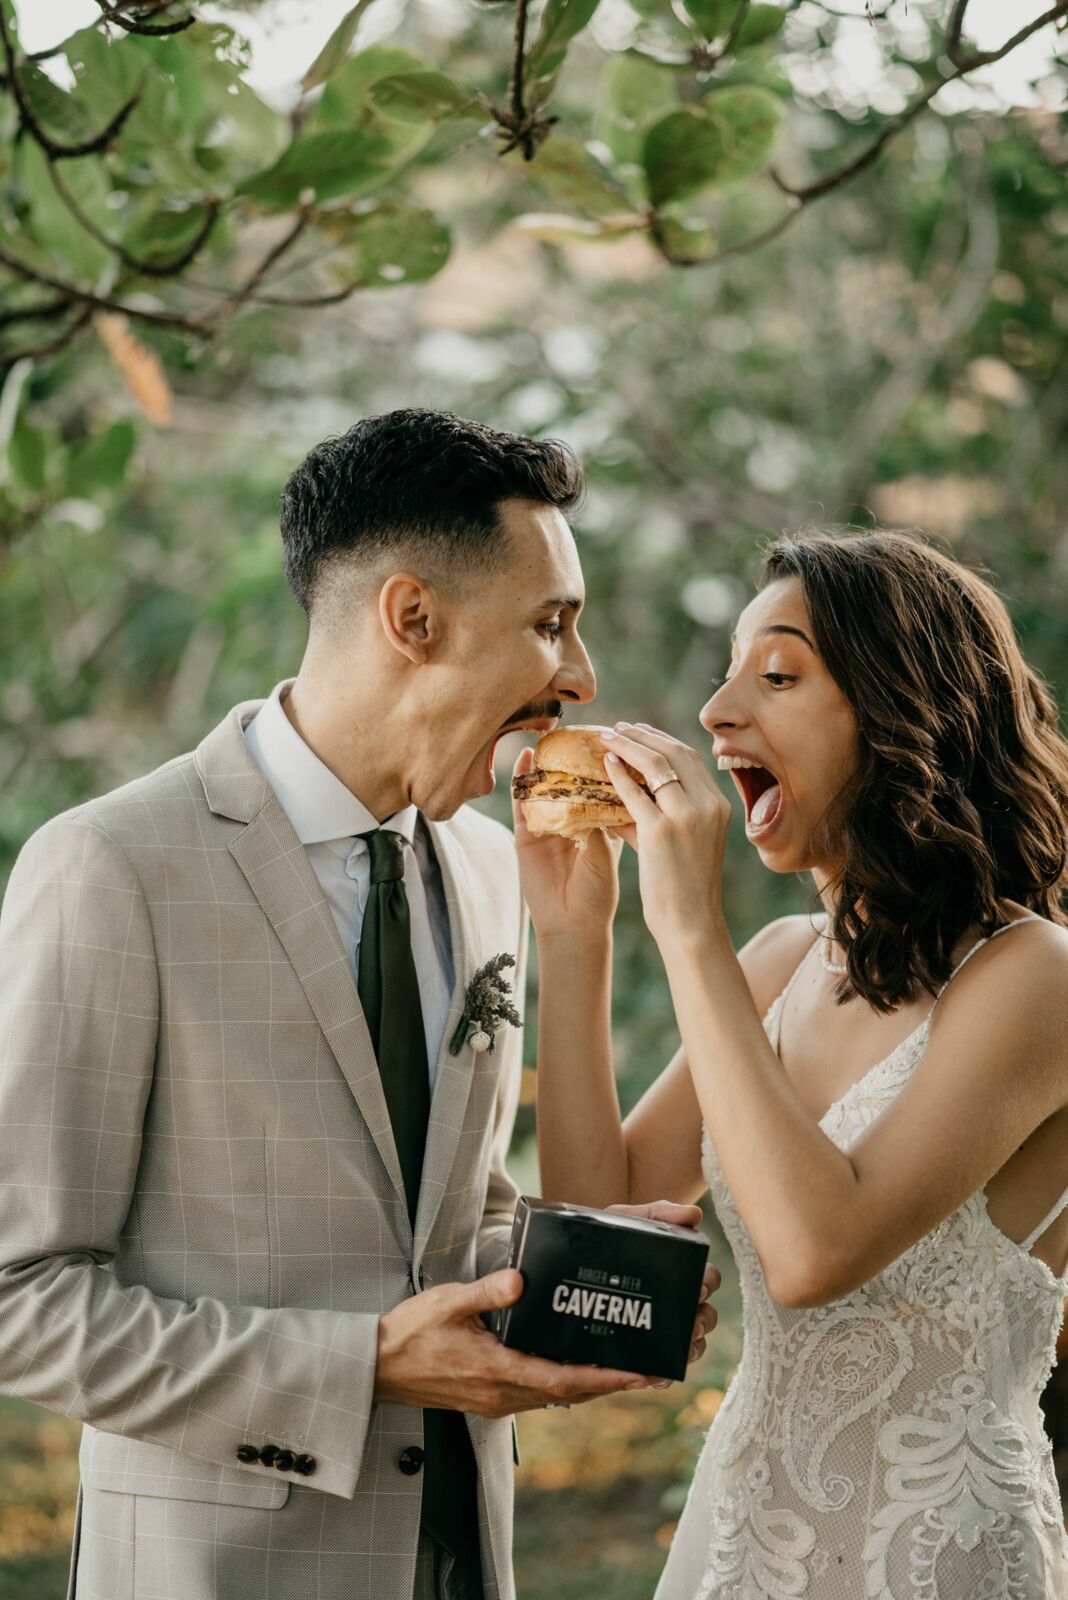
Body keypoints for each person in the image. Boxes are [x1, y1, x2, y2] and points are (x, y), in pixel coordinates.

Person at [0, 409, 717, 1600]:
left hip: (462, 1557)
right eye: (550, 624)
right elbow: (20, 1297)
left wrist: (594, 1288)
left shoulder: (493, 868)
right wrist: (364, 1367)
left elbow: (447, 1220)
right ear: (412, 617)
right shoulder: (112, 866)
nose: (580, 676)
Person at [516, 528, 1068, 1598]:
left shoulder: (1035, 977)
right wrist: (574, 939)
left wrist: (688, 926)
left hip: (931, 1558)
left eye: (776, 676)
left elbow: (817, 1251)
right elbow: (598, 1224)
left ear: (908, 710)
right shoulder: (777, 964)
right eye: (729, 673)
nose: (718, 711)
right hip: (740, 1541)